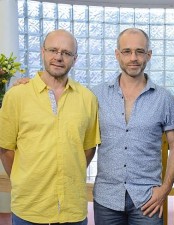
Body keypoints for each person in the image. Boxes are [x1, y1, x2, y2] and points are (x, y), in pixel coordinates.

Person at [0, 29, 100, 225]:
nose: (58, 57)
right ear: (42, 52)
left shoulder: (87, 98)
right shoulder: (17, 95)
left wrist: (67, 171)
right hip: (29, 208)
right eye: (53, 50)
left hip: (73, 210)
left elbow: (88, 149)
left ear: (75, 58)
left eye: (66, 53)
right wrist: (25, 179)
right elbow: (5, 149)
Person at [91, 28, 174, 225]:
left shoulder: (163, 98)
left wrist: (165, 189)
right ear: (117, 54)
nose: (133, 58)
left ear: (148, 55)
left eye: (139, 52)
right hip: (107, 197)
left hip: (148, 199)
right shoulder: (96, 95)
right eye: (127, 51)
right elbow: (65, 92)